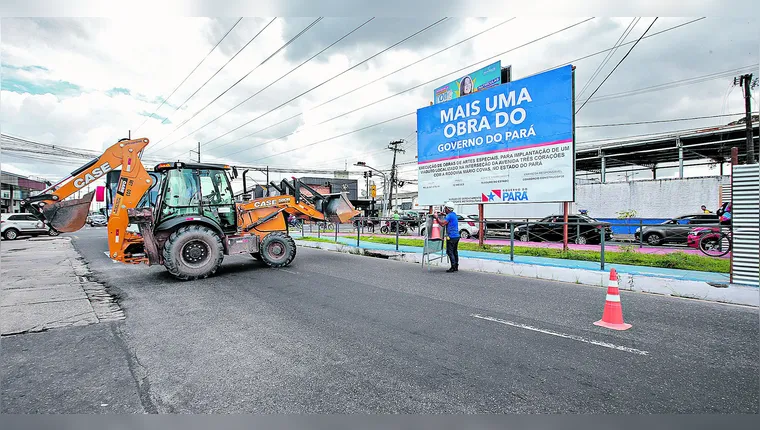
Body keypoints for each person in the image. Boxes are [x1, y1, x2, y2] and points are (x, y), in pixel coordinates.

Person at [437, 201, 460, 272]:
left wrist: (436, 218)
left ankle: (453, 267)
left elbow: (443, 224)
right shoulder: (453, 214)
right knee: (455, 251)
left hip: (451, 237)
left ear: (448, 209)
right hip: (456, 236)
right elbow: (448, 216)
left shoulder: (449, 216)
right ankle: (456, 266)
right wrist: (443, 214)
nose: (444, 209)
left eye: (445, 208)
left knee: (450, 252)